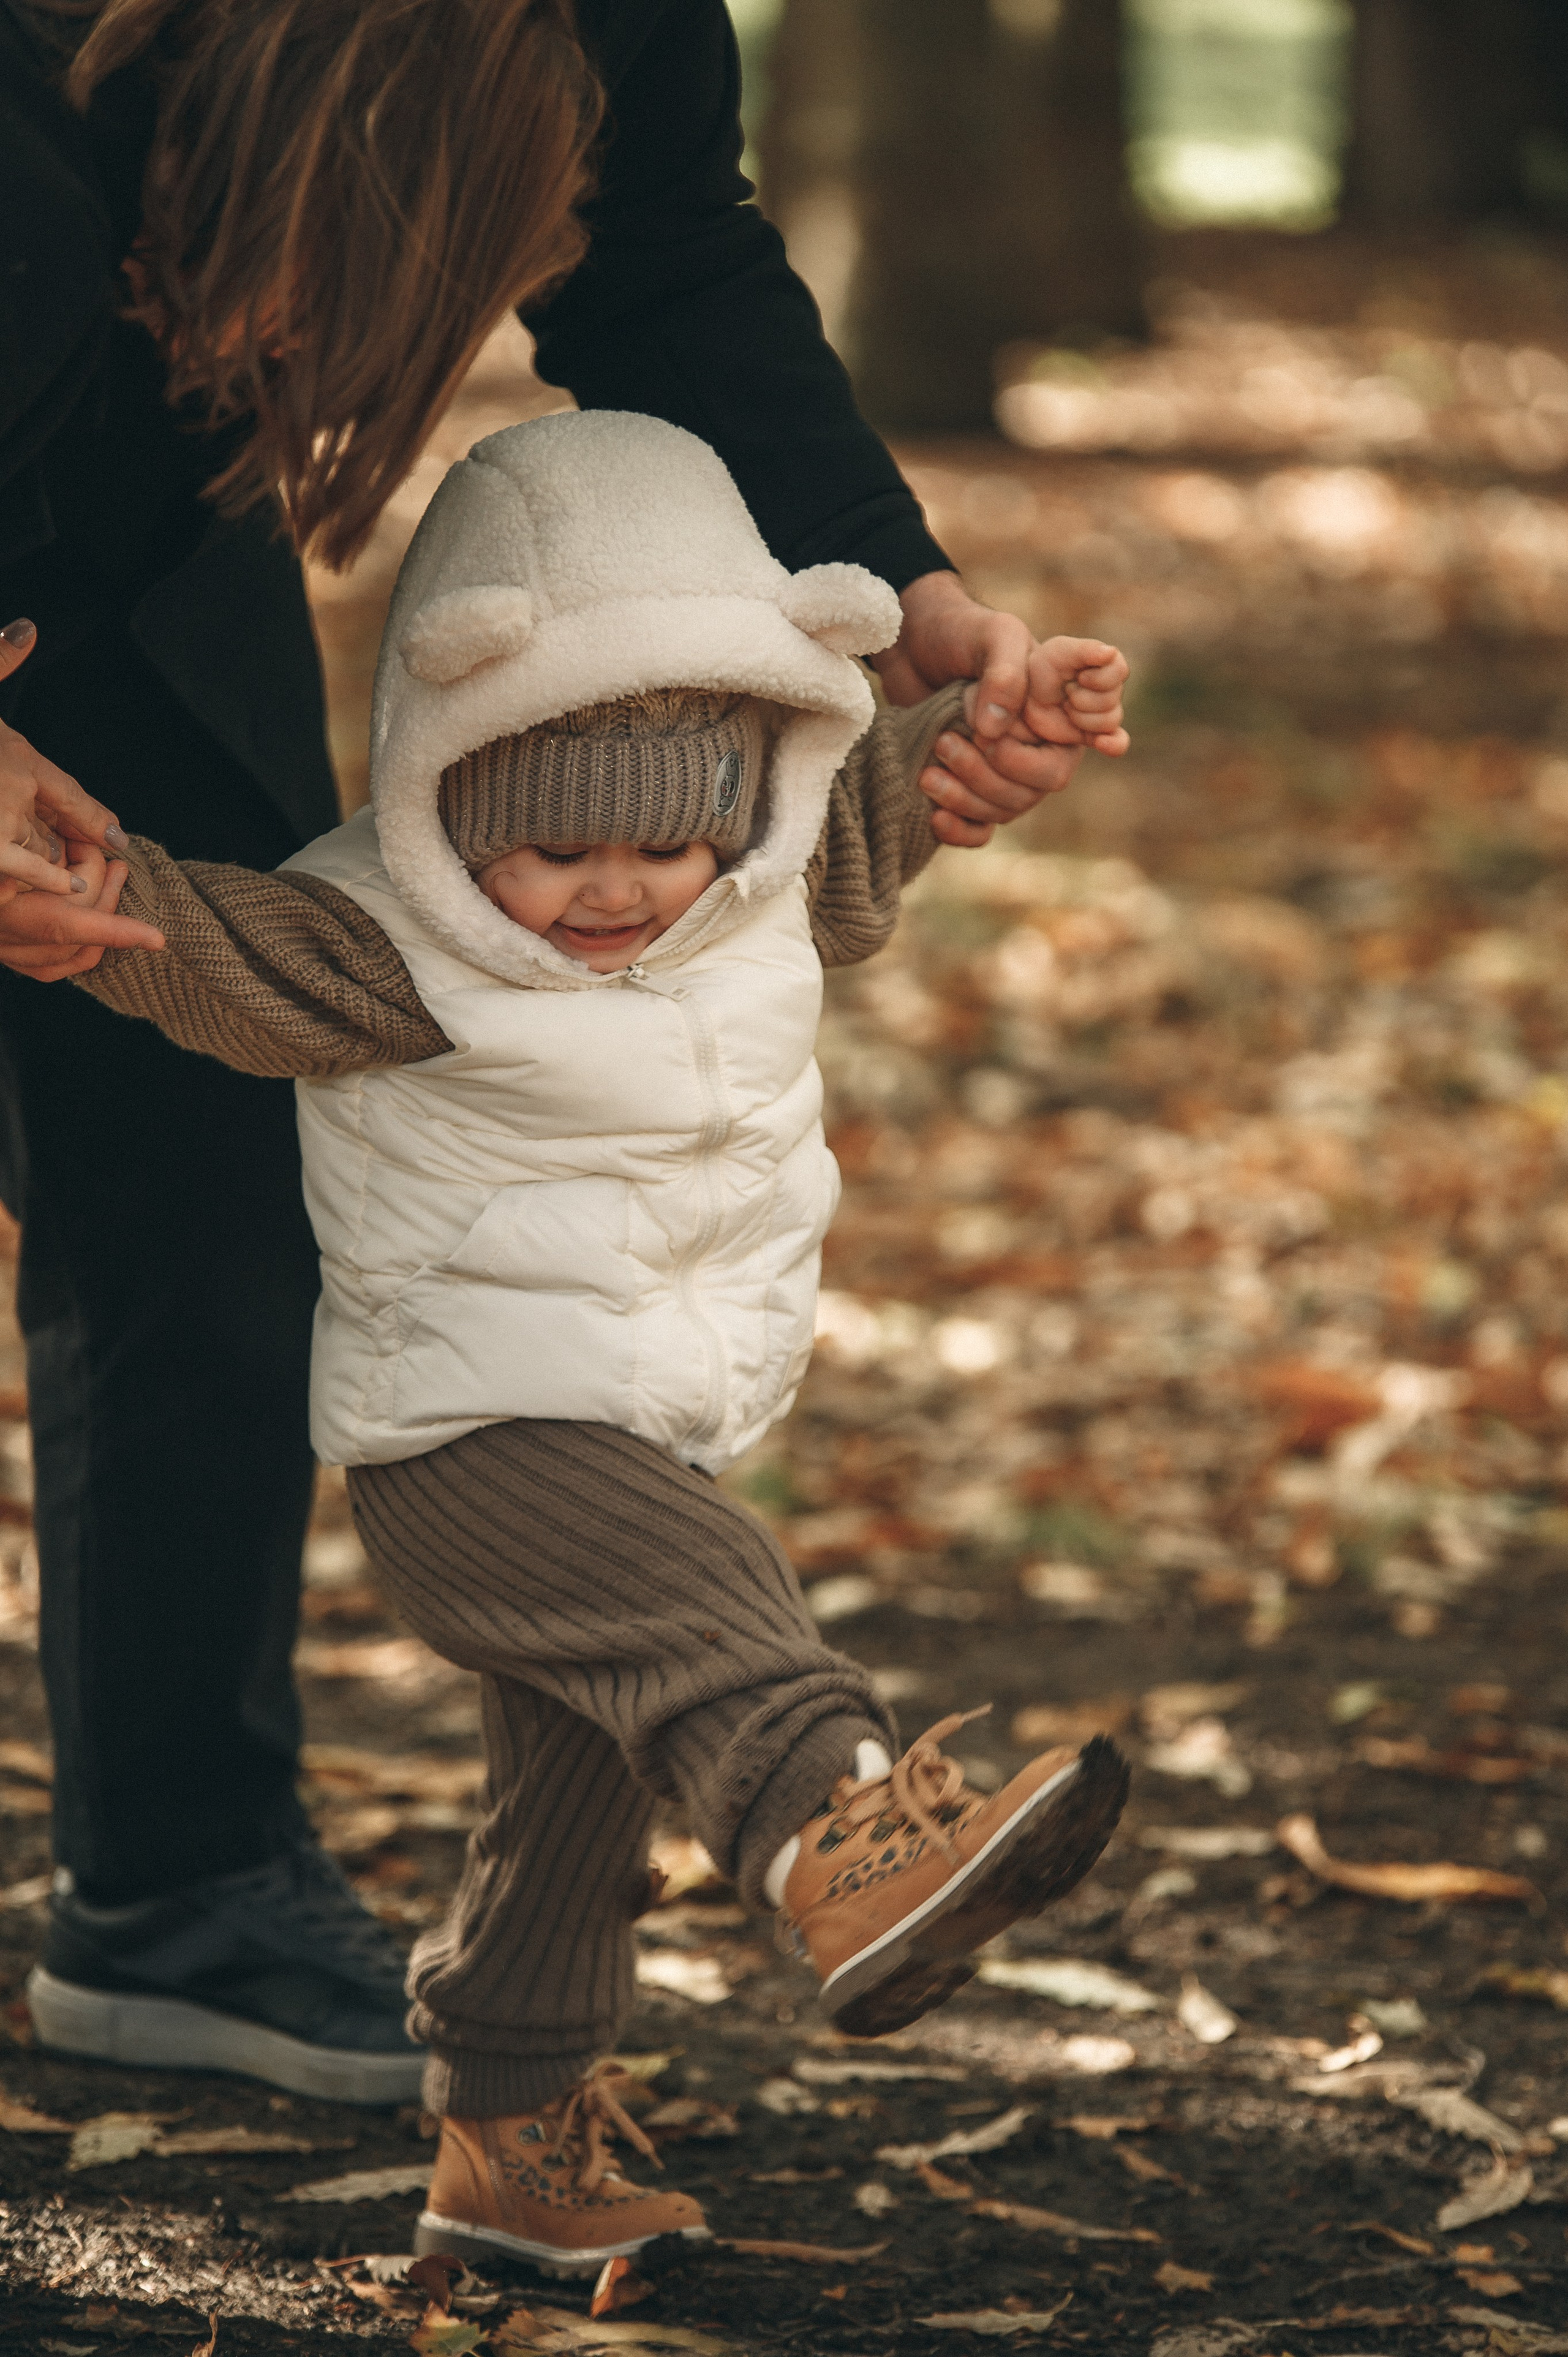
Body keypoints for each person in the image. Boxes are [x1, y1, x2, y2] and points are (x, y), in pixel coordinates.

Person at [0, 0, 1112, 2103]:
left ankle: (194, 1896)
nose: (622, 887)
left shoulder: (614, 35)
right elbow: (248, 954)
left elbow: (673, 255)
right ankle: (813, 1810)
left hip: (139, 539)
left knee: (203, 1191)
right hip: (481, 1440)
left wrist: (905, 601)